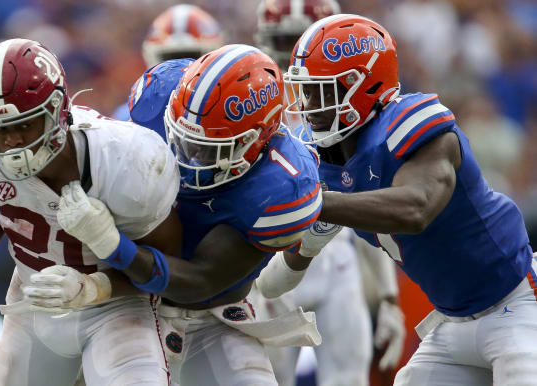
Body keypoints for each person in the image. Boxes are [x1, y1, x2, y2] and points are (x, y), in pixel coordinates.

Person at [29, 44, 325, 385]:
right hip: (123, 306)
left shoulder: (282, 186)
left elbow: (200, 281)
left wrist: (109, 244)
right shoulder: (158, 99)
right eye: (181, 136)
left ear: (258, 139)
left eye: (210, 148)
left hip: (209, 317)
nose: (188, 155)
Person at [269, 13, 537, 386]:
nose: (308, 104)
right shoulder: (322, 161)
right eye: (305, 90)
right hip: (450, 321)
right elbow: (277, 280)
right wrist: (292, 240)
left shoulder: (412, 124)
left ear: (359, 86)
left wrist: (317, 204)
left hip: (518, 304)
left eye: (320, 90)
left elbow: (416, 208)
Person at [0, 38, 182, 385]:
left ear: (59, 111)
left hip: (118, 310)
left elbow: (169, 263)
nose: (13, 141)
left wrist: (96, 287)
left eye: (25, 125)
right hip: (33, 309)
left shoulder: (126, 161)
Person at [254, 2, 406, 385]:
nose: (290, 50)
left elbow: (363, 204)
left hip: (335, 260)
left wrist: (389, 296)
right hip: (272, 261)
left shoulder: (355, 111)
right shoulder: (251, 100)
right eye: (283, 40)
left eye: (300, 38)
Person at [111, 3, 223, 121]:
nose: (181, 70)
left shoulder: (133, 114)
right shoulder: (129, 115)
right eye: (171, 59)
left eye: (191, 58)